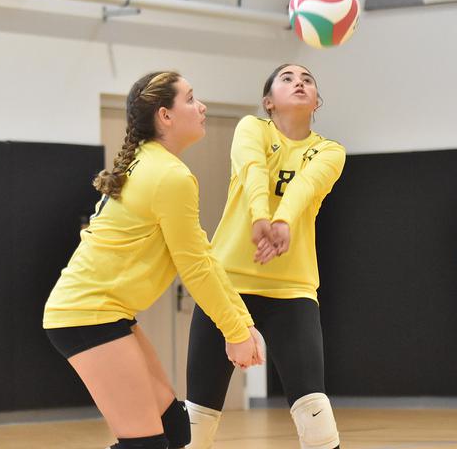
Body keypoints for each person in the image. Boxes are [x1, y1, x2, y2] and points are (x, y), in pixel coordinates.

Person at [43, 71, 265, 449]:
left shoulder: (153, 165)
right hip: (87, 314)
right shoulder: (169, 176)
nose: (202, 107)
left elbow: (204, 259)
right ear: (165, 115)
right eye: (191, 99)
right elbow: (195, 267)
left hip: (105, 313)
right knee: (145, 445)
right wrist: (235, 332)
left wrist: (241, 325)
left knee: (175, 430)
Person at [185, 63, 346, 449]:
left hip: (291, 290)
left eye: (308, 80)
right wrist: (261, 216)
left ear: (317, 102)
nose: (300, 83)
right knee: (198, 417)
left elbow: (305, 187)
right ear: (268, 102)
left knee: (314, 413)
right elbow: (253, 169)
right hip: (225, 286)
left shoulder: (329, 151)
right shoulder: (251, 128)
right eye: (288, 78)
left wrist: (284, 223)